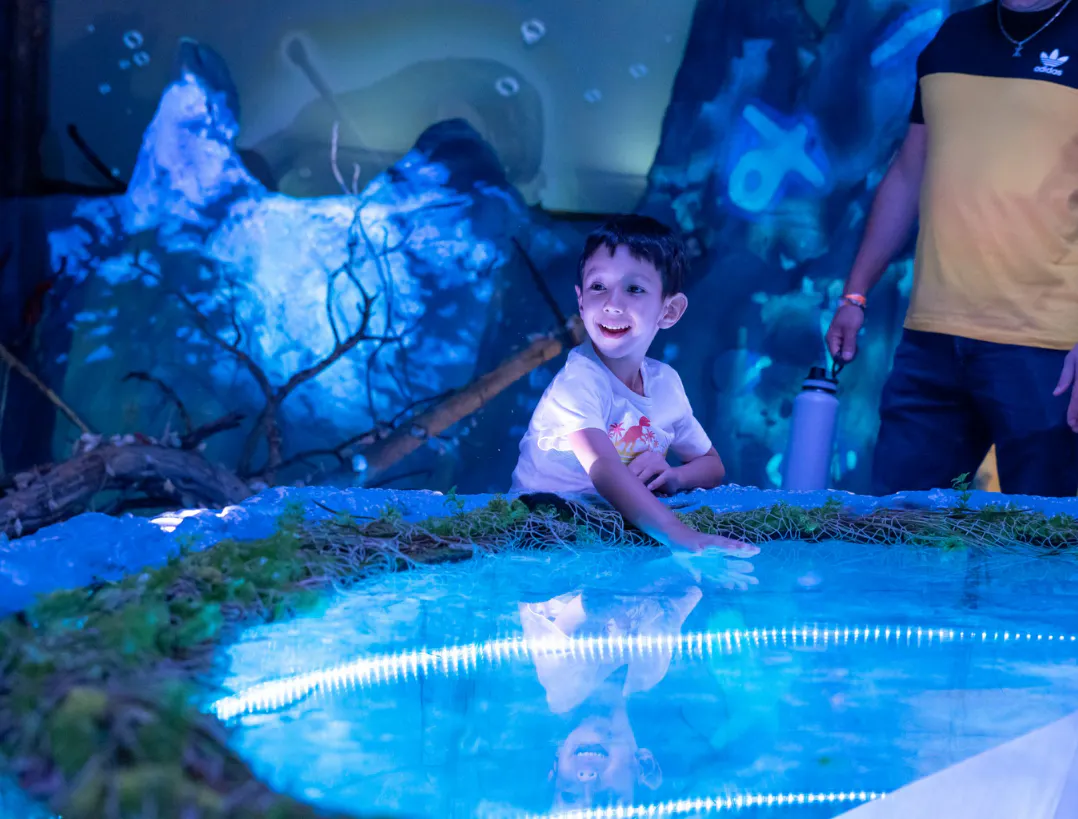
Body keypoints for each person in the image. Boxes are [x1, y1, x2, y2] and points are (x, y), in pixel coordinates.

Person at [826, 0, 1078, 497]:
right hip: (932, 343)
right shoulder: (952, 37)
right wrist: (854, 294)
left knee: (1049, 533)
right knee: (898, 523)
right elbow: (907, 172)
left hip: (1049, 346)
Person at [511, 215, 758, 555]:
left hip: (613, 533)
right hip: (539, 536)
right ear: (581, 301)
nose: (612, 304)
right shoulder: (578, 382)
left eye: (634, 289)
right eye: (598, 287)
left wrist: (674, 477)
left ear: (669, 311)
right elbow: (604, 469)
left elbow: (712, 465)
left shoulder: (666, 384)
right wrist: (677, 532)